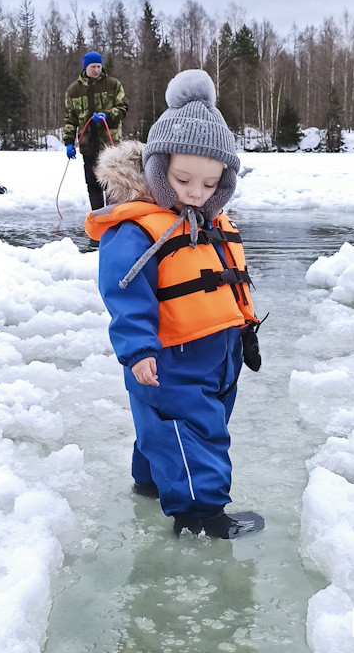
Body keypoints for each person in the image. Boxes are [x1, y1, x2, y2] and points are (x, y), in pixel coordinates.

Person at [84, 69, 265, 539]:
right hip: (170, 359)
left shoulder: (209, 222)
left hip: (217, 355)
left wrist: (245, 331)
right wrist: (138, 349)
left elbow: (229, 283)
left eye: (210, 184)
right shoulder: (139, 231)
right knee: (193, 431)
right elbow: (124, 293)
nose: (195, 193)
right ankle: (201, 514)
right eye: (183, 179)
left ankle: (149, 482)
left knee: (171, 426)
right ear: (159, 167)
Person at [63, 51, 129, 209]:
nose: (97, 70)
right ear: (86, 67)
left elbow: (123, 107)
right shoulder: (73, 91)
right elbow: (70, 118)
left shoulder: (113, 85)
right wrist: (69, 142)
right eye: (93, 66)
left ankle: (115, 218)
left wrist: (107, 115)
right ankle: (98, 219)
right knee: (93, 185)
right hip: (88, 145)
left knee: (112, 184)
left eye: (99, 66)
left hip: (110, 145)